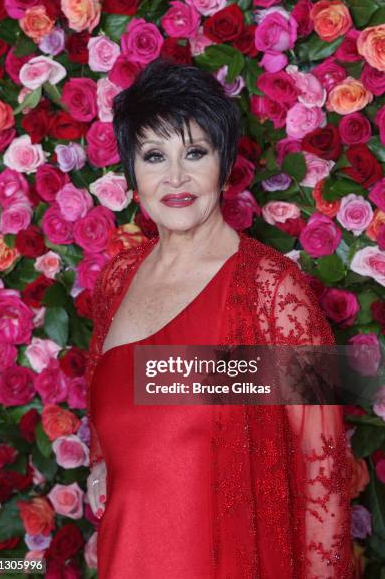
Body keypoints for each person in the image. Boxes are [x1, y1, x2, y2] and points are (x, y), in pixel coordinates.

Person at [85, 58, 354, 578]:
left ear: (224, 162)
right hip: (128, 556)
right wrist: (103, 463)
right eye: (155, 155)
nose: (176, 177)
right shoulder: (117, 280)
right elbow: (113, 397)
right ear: (131, 171)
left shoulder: (275, 291)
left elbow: (324, 469)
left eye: (196, 152)